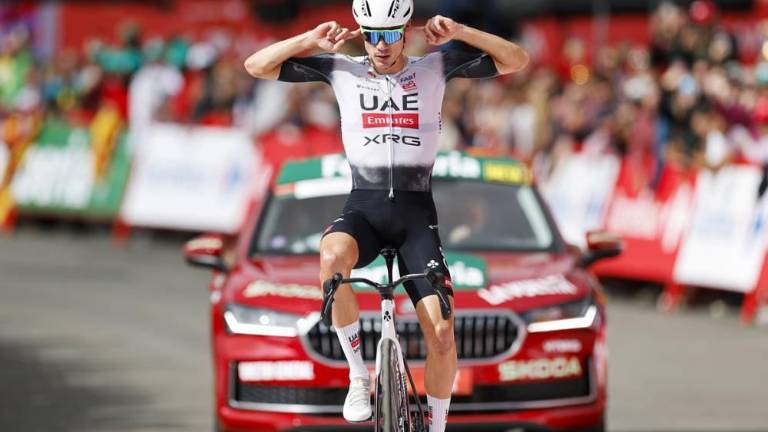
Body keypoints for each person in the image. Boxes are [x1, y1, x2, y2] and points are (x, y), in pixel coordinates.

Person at [243, 1, 528, 430]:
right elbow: (255, 65)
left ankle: (434, 427)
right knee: (331, 259)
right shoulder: (343, 69)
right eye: (371, 34)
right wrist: (307, 40)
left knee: (443, 334)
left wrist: (460, 32)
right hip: (365, 209)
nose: (380, 45)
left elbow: (516, 59)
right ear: (360, 31)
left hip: (417, 218)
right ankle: (359, 375)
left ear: (406, 30)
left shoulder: (434, 66)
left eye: (389, 35)